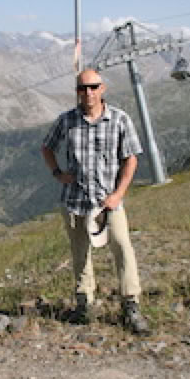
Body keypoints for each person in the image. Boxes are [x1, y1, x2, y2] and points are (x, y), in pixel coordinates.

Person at [41, 68, 150, 335]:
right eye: (82, 88)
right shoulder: (67, 120)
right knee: (80, 253)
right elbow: (47, 147)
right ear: (77, 92)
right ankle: (84, 304)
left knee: (123, 248)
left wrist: (118, 194)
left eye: (93, 87)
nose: (87, 93)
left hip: (108, 202)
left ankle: (131, 305)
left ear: (102, 89)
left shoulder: (120, 119)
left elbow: (131, 159)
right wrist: (57, 173)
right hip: (75, 201)